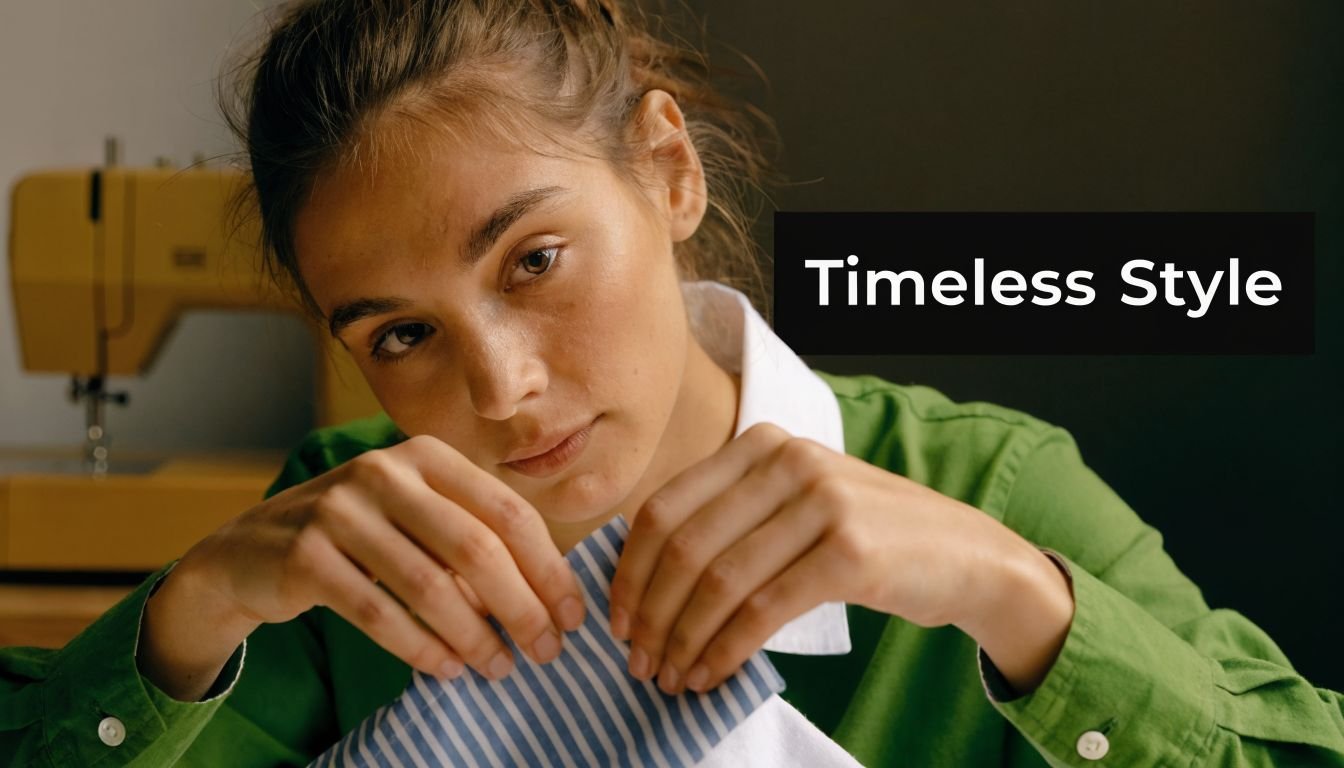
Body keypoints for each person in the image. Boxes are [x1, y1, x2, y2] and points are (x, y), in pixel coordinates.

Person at [3, 0, 1343, 765]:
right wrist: (186, 623)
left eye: (533, 259)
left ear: (669, 171)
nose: (506, 387)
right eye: (399, 335)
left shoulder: (983, 486)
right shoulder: (339, 560)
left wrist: (1020, 604)